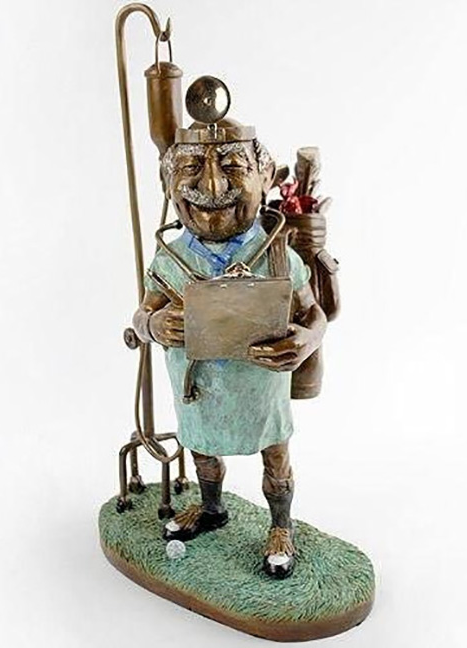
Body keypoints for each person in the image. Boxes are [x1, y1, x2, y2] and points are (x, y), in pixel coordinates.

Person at [132, 117, 327, 579]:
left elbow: (314, 313)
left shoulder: (277, 254)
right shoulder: (171, 259)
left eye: (232, 166)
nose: (213, 186)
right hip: (197, 383)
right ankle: (211, 507)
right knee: (201, 447)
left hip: (261, 383)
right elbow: (140, 318)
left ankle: (280, 526)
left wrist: (305, 340)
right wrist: (155, 324)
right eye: (192, 168)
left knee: (275, 453)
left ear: (265, 176)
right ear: (167, 182)